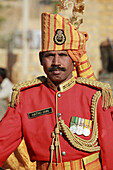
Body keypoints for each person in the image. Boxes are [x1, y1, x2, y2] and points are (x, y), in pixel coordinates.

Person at [0, 12, 113, 170]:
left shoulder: (94, 96)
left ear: (74, 59)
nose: (56, 62)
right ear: (41, 59)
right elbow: (2, 141)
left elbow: (110, 150)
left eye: (63, 55)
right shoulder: (25, 97)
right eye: (50, 56)